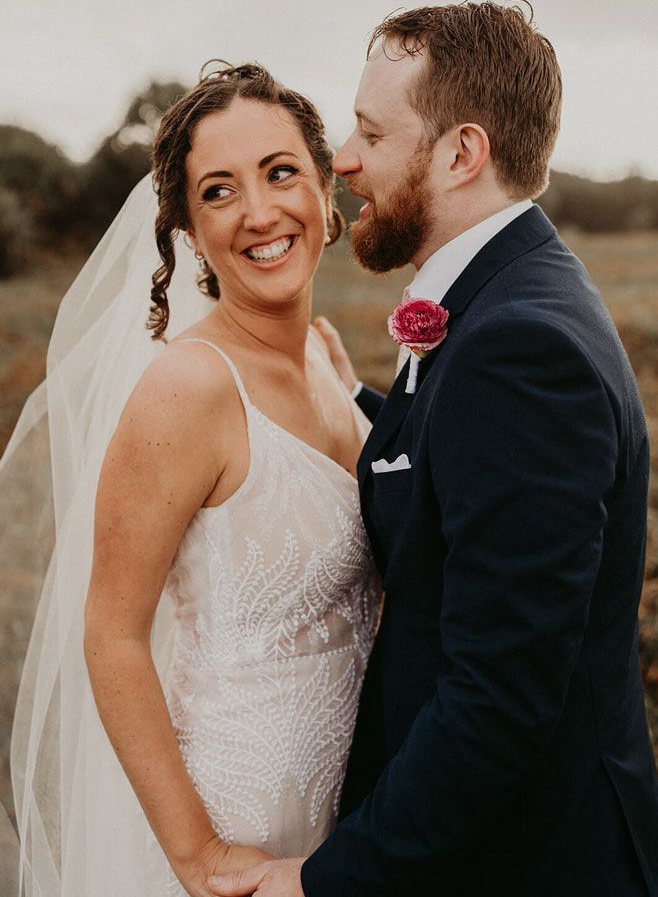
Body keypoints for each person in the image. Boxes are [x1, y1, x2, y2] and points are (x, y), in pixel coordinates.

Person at [208, 3, 658, 897]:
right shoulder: (508, 297)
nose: (342, 159)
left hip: (531, 861)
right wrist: (351, 403)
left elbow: (499, 695)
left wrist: (332, 879)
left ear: (461, 153)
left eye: (372, 133)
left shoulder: (518, 347)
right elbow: (466, 470)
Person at [7, 63, 380, 896]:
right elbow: (111, 632)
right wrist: (197, 855)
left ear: (326, 189)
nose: (258, 212)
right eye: (219, 191)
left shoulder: (324, 359)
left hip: (352, 823)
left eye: (280, 172)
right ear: (189, 229)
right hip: (239, 820)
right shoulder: (191, 387)